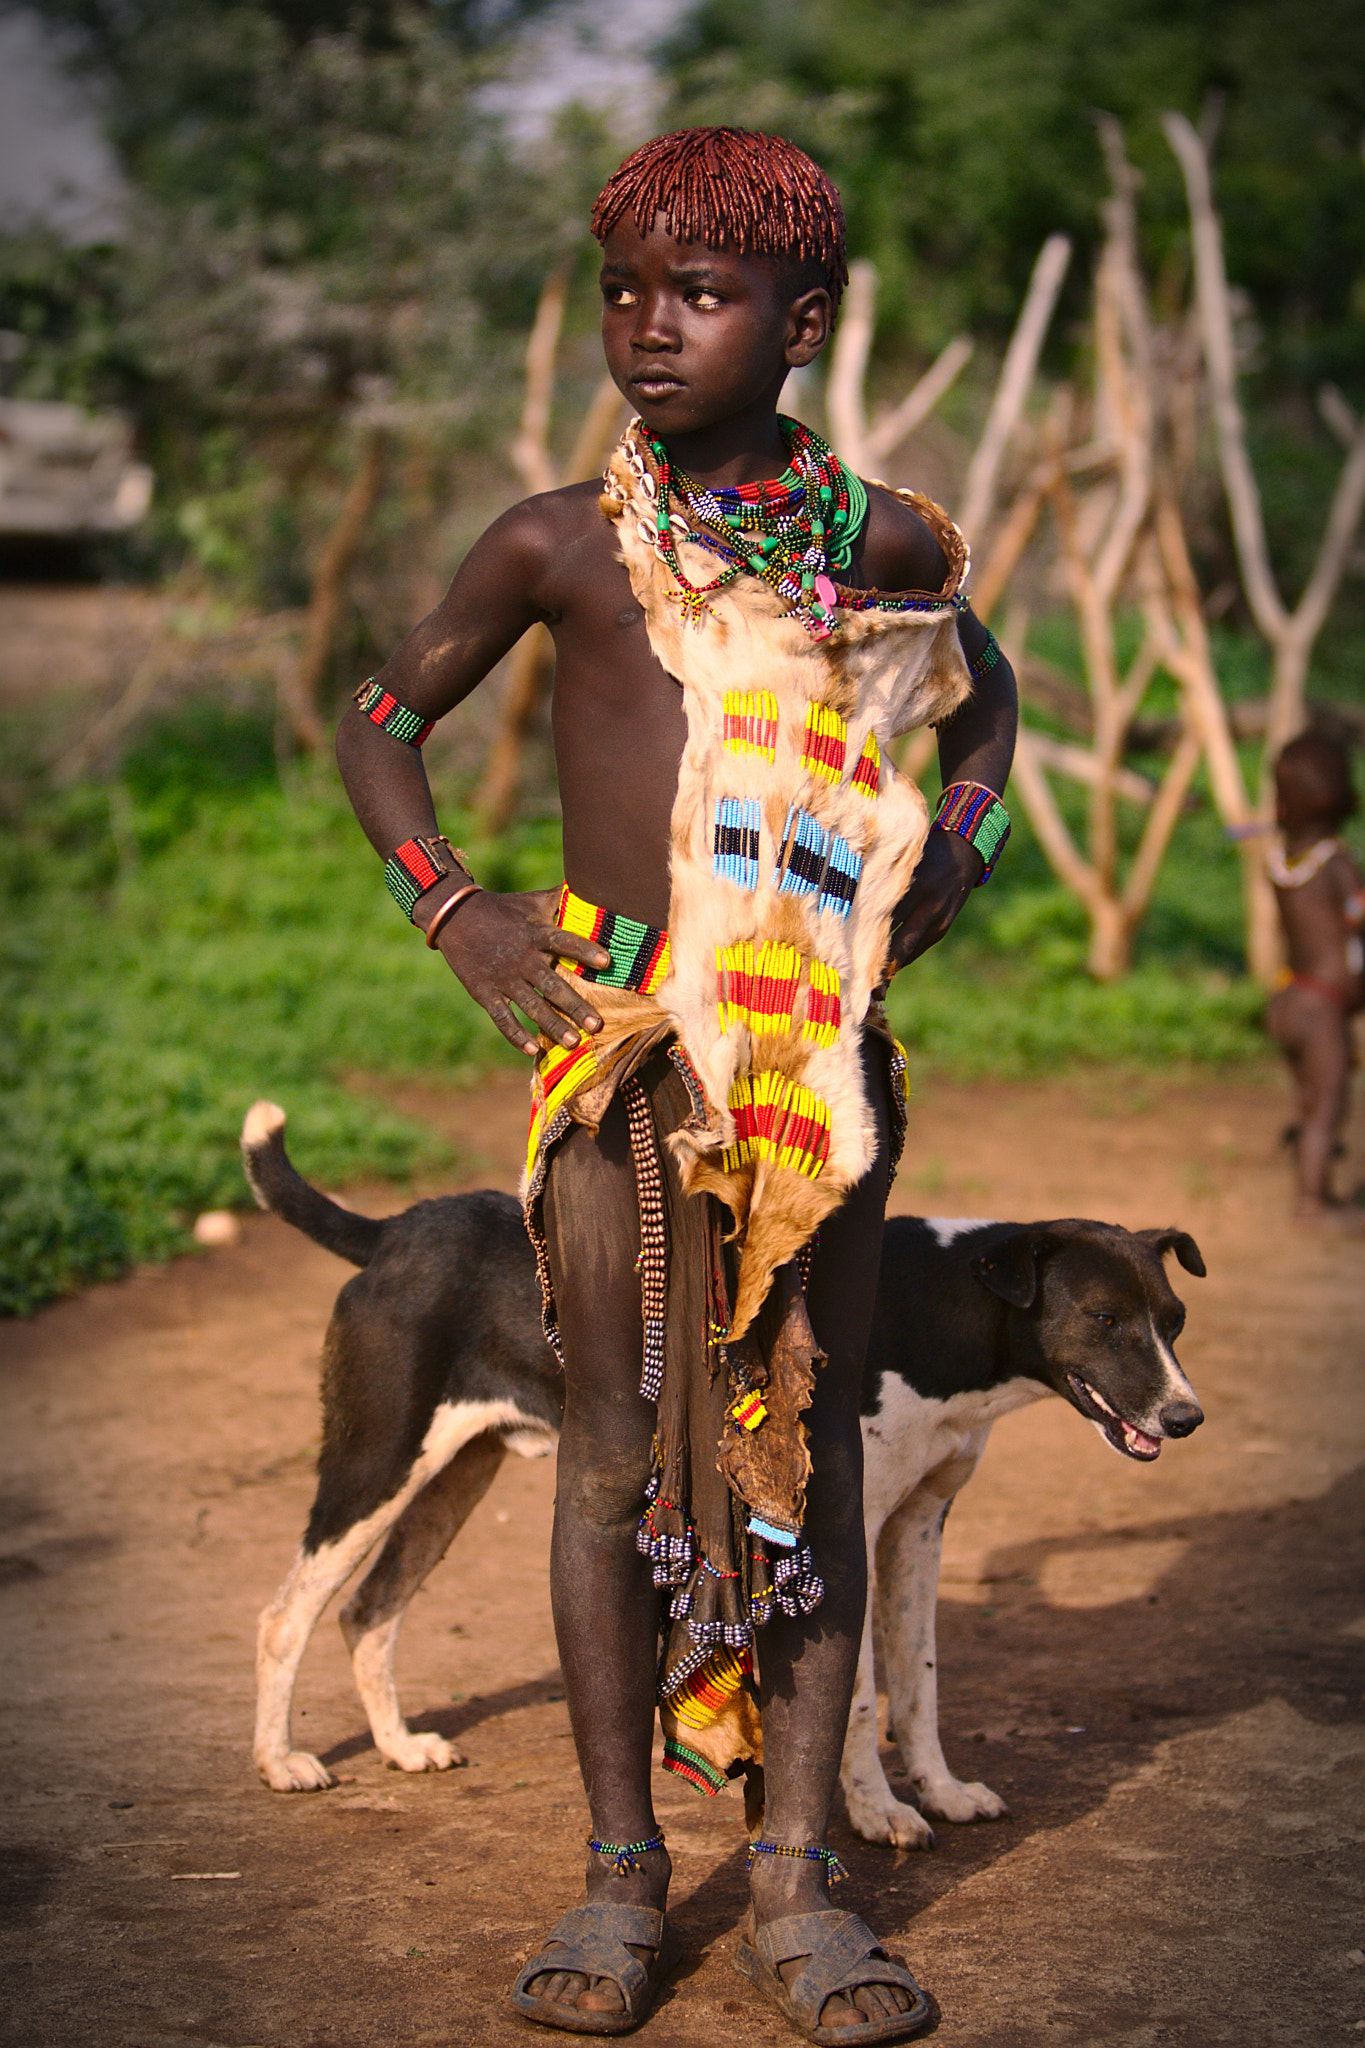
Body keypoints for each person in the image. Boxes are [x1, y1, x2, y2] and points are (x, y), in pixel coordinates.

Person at [336, 127, 1017, 2044]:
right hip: (620, 1063)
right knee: (619, 1453)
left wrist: (953, 840)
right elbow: (387, 721)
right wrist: (455, 908)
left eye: (699, 294)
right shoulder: (557, 542)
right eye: (627, 287)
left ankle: (798, 1875)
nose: (649, 326)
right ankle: (624, 1868)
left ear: (801, 323)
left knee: (811, 1443)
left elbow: (991, 691)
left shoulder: (879, 541)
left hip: (817, 1073)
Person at [1264, 732, 1363, 1226]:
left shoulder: (1282, 863)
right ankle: (1312, 1203)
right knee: (1328, 1106)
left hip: (1288, 1000)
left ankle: (1313, 1184)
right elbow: (1356, 916)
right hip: (1321, 1008)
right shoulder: (1336, 863)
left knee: (1310, 1102)